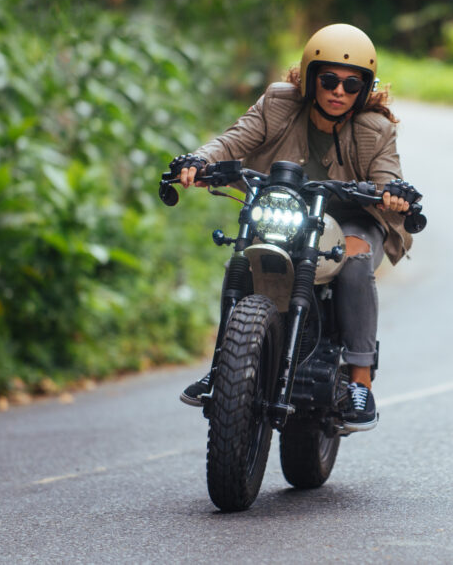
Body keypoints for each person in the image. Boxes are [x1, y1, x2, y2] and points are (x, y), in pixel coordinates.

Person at [172, 23, 413, 432]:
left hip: (352, 215)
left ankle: (360, 382)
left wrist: (394, 194)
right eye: (329, 79)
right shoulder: (278, 104)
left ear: (364, 88)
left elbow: (388, 176)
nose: (339, 91)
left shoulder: (376, 128)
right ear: (310, 77)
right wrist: (197, 160)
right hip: (287, 208)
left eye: (352, 84)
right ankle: (223, 365)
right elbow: (232, 142)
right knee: (244, 255)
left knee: (354, 263)